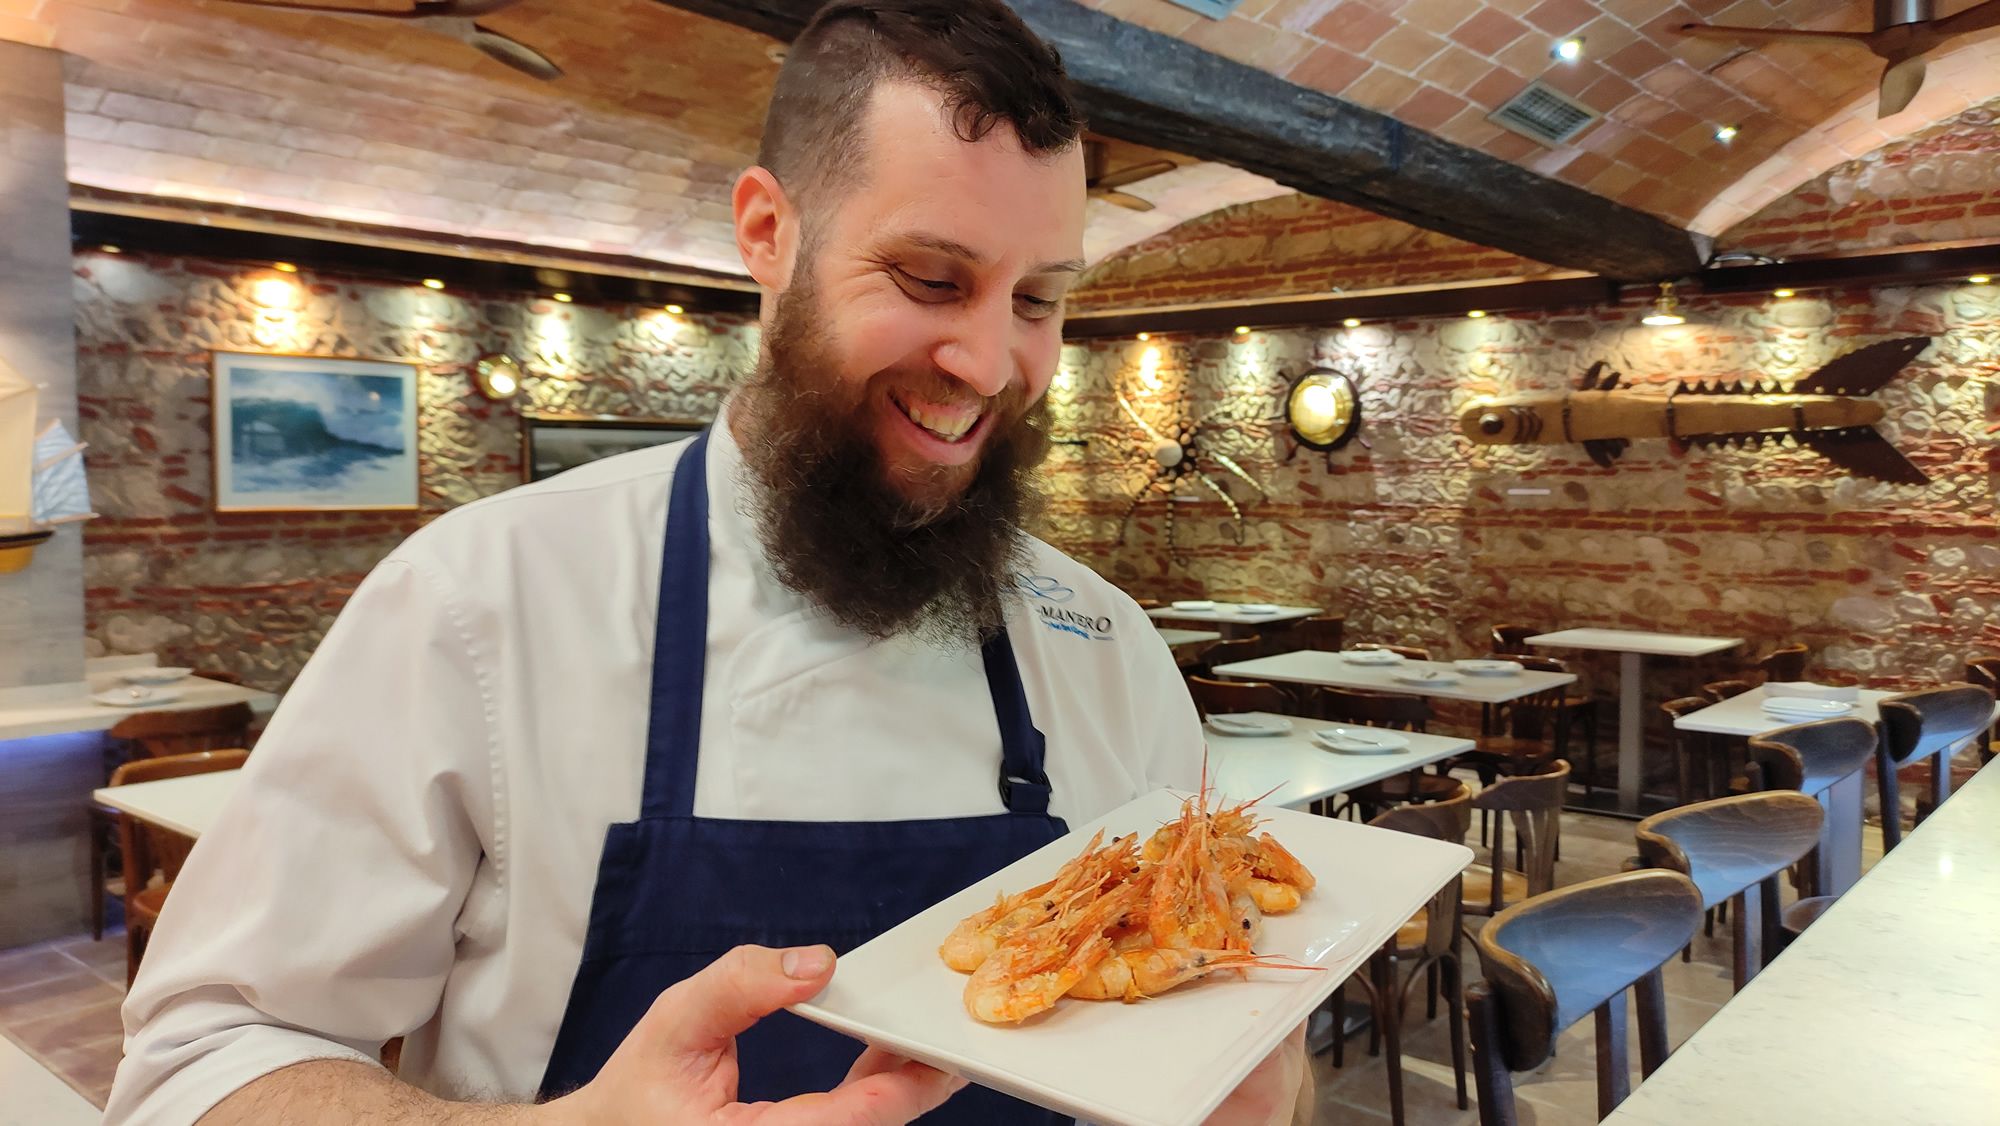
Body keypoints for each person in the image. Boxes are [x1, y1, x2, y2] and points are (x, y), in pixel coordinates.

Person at [105, 2, 1309, 1123]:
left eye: (1038, 300)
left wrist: (1261, 1086)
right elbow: (205, 1055)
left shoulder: (1102, 644)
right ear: (768, 233)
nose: (990, 362)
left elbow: (1226, 1030)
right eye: (930, 279)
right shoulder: (486, 599)